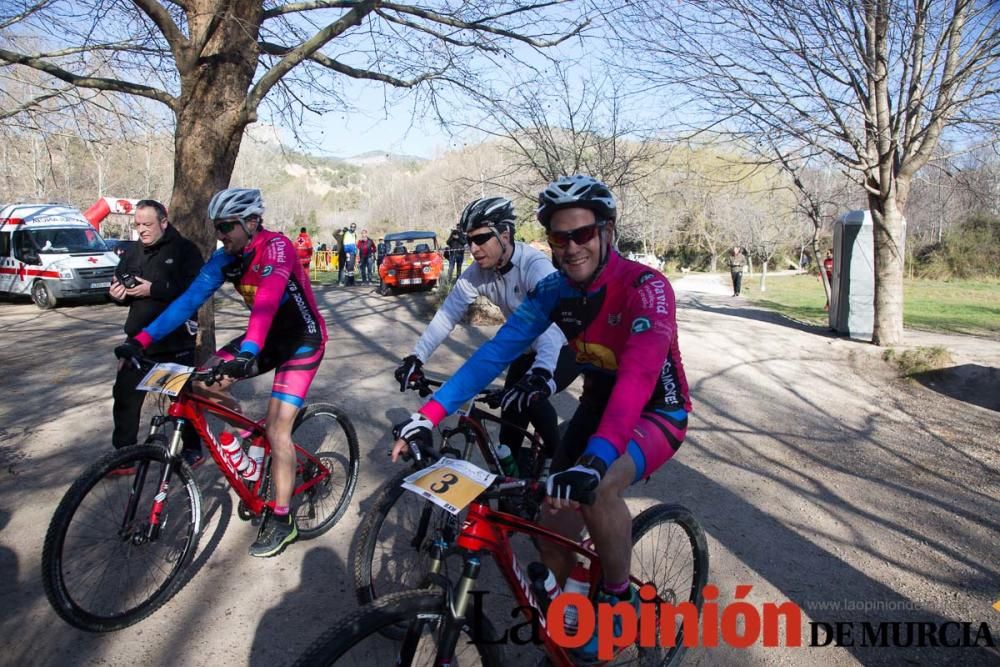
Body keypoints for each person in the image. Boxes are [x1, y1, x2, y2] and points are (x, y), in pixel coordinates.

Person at [391, 175, 690, 660]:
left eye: (582, 234)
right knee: (550, 519)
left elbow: (636, 377)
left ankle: (619, 597)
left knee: (597, 486)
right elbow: (493, 356)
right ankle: (572, 600)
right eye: (558, 237)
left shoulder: (645, 287)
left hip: (657, 409)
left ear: (607, 231)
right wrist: (428, 413)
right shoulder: (554, 290)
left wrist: (595, 458)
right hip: (598, 404)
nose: (571, 248)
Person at [114, 188, 328, 558]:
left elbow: (265, 303)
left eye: (227, 227)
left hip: (302, 339)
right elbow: (187, 302)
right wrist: (142, 340)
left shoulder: (277, 248)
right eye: (217, 227)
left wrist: (247, 352)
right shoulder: (224, 258)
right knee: (199, 383)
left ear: (252, 222)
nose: (221, 235)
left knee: (278, 428)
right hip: (264, 339)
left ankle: (282, 518)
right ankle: (249, 438)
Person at [394, 196, 577, 467]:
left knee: (531, 400)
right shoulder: (477, 273)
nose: (473, 249)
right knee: (508, 434)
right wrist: (417, 357)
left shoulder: (534, 267)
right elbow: (447, 316)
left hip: (561, 348)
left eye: (480, 239)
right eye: (469, 241)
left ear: (505, 235)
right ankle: (512, 488)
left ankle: (559, 463)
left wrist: (540, 374)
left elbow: (549, 329)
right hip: (523, 347)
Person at [109, 199, 204, 469]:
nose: (142, 230)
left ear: (164, 222)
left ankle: (193, 449)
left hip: (175, 341)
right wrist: (117, 295)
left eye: (147, 224)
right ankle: (123, 455)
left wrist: (155, 289)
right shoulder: (133, 252)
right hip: (138, 340)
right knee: (125, 396)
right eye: (138, 224)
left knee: (180, 402)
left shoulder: (185, 250)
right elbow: (122, 282)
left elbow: (194, 291)